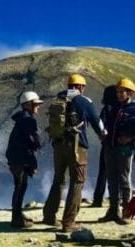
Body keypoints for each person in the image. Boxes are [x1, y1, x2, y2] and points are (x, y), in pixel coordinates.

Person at [41, 74, 105, 231]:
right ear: (81, 87)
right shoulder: (84, 101)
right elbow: (98, 124)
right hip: (77, 147)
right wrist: (103, 135)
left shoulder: (59, 99)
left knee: (59, 180)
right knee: (77, 181)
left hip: (57, 145)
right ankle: (69, 222)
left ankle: (49, 216)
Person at [98, 78, 135, 224]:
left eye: (122, 91)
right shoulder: (112, 108)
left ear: (130, 93)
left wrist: (130, 137)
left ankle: (126, 211)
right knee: (111, 179)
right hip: (109, 147)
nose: (119, 94)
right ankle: (112, 211)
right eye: (118, 91)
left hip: (125, 149)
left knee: (123, 179)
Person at [6, 91, 44, 228]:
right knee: (20, 187)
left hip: (15, 158)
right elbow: (33, 141)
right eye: (36, 104)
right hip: (20, 159)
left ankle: (18, 214)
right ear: (28, 105)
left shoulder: (22, 119)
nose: (38, 107)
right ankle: (16, 219)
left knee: (20, 186)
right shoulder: (28, 120)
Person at [91, 85, 118, 208]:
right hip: (120, 145)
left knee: (103, 172)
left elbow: (101, 125)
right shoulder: (122, 107)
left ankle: (97, 200)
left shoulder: (106, 108)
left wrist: (102, 137)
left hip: (107, 144)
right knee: (119, 173)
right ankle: (117, 200)